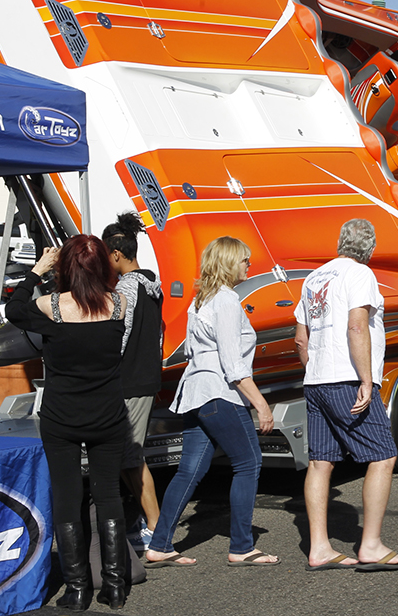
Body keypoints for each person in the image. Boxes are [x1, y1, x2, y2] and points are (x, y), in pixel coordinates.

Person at [6, 236, 130, 610]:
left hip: (61, 417)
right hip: (108, 414)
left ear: (67, 268)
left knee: (67, 497)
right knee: (109, 495)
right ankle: (114, 586)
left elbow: (13, 309)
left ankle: (77, 590)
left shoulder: (51, 308)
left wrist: (37, 270)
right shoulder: (119, 305)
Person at [144, 237, 278, 567]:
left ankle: (160, 544)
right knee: (249, 463)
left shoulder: (201, 300)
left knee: (190, 470)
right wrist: (261, 404)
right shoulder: (227, 302)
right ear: (230, 263)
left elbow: (192, 350)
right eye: (245, 260)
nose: (249, 265)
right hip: (220, 393)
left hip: (195, 392)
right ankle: (243, 547)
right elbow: (233, 365)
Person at [295, 219, 398, 572]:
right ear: (370, 248)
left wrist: (314, 371)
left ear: (340, 242)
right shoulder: (360, 274)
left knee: (320, 462)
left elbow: (301, 338)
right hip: (347, 378)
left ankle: (320, 548)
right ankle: (370, 544)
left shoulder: (313, 279)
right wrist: (365, 378)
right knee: (384, 456)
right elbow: (357, 324)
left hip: (316, 381)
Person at [102, 212, 163, 552]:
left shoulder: (126, 288)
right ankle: (148, 522)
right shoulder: (152, 284)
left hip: (128, 381)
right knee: (128, 456)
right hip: (145, 378)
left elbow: (118, 337)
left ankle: (156, 527)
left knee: (130, 457)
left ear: (115, 255)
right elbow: (158, 335)